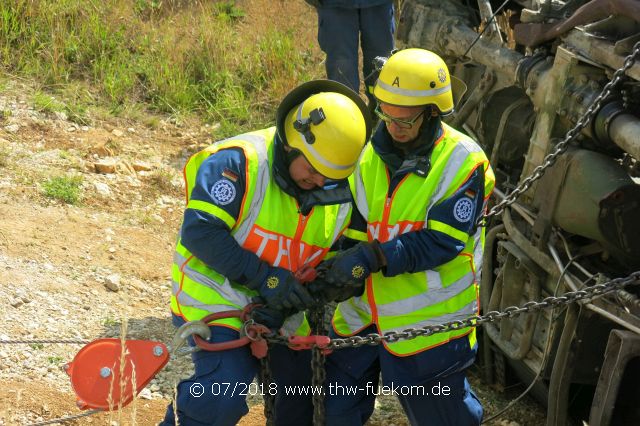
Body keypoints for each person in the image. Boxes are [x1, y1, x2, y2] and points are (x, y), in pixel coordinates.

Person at [160, 79, 372, 426]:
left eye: (331, 176)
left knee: (300, 405)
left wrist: (337, 279)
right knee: (219, 395)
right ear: (291, 144)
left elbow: (348, 248)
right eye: (313, 170)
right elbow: (200, 232)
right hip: (217, 299)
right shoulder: (240, 162)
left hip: (283, 310)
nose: (320, 181)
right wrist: (265, 278)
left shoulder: (345, 186)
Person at [309, 48, 496, 425]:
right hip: (361, 316)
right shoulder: (368, 153)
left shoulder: (463, 163)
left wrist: (373, 258)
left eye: (406, 121)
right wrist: (342, 262)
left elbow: (442, 242)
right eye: (386, 114)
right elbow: (357, 220)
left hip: (428, 327)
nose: (394, 127)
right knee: (335, 413)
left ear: (432, 112)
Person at [306, 0, 395, 110]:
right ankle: (347, 114)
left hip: (378, 4)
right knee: (342, 65)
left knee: (381, 61)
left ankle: (382, 111)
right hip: (334, 5)